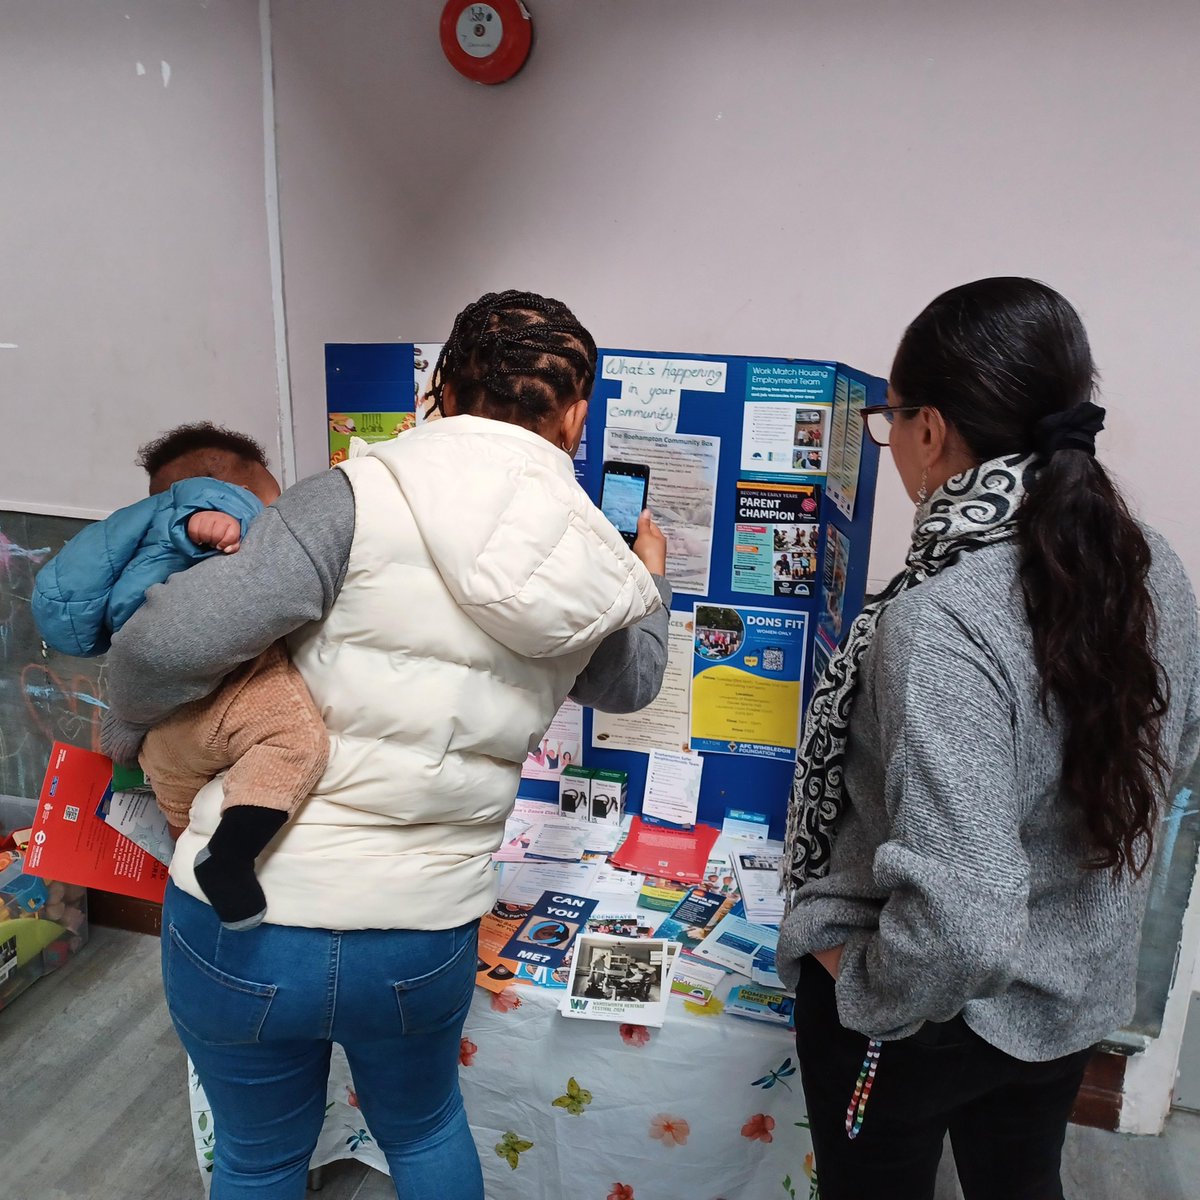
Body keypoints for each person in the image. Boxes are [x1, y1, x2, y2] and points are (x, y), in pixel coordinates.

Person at [100, 289, 672, 1200]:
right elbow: (633, 682)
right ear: (575, 414)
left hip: (246, 916)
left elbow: (158, 648)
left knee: (258, 1156)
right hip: (419, 930)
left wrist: (132, 727)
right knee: (427, 1129)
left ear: (440, 388)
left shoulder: (346, 501)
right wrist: (650, 580)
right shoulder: (592, 557)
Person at [777, 277, 1200, 1200]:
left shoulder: (945, 617)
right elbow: (1172, 758)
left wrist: (867, 990)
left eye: (892, 423)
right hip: (1066, 998)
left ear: (931, 430)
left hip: (926, 1012)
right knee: (1020, 1183)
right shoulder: (1150, 561)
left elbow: (964, 916)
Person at [32, 423, 327, 931]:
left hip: (164, 737)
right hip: (228, 703)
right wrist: (214, 521)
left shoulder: (146, 553)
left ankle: (189, 872)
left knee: (179, 815)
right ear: (245, 483)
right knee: (293, 742)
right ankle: (229, 859)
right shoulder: (220, 515)